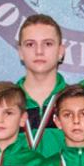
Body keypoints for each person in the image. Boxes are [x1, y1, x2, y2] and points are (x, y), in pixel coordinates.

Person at [15, 15, 69, 158]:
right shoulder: (4, 103)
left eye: (48, 44)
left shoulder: (79, 101)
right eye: (30, 44)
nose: (39, 51)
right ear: (20, 52)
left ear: (61, 51)